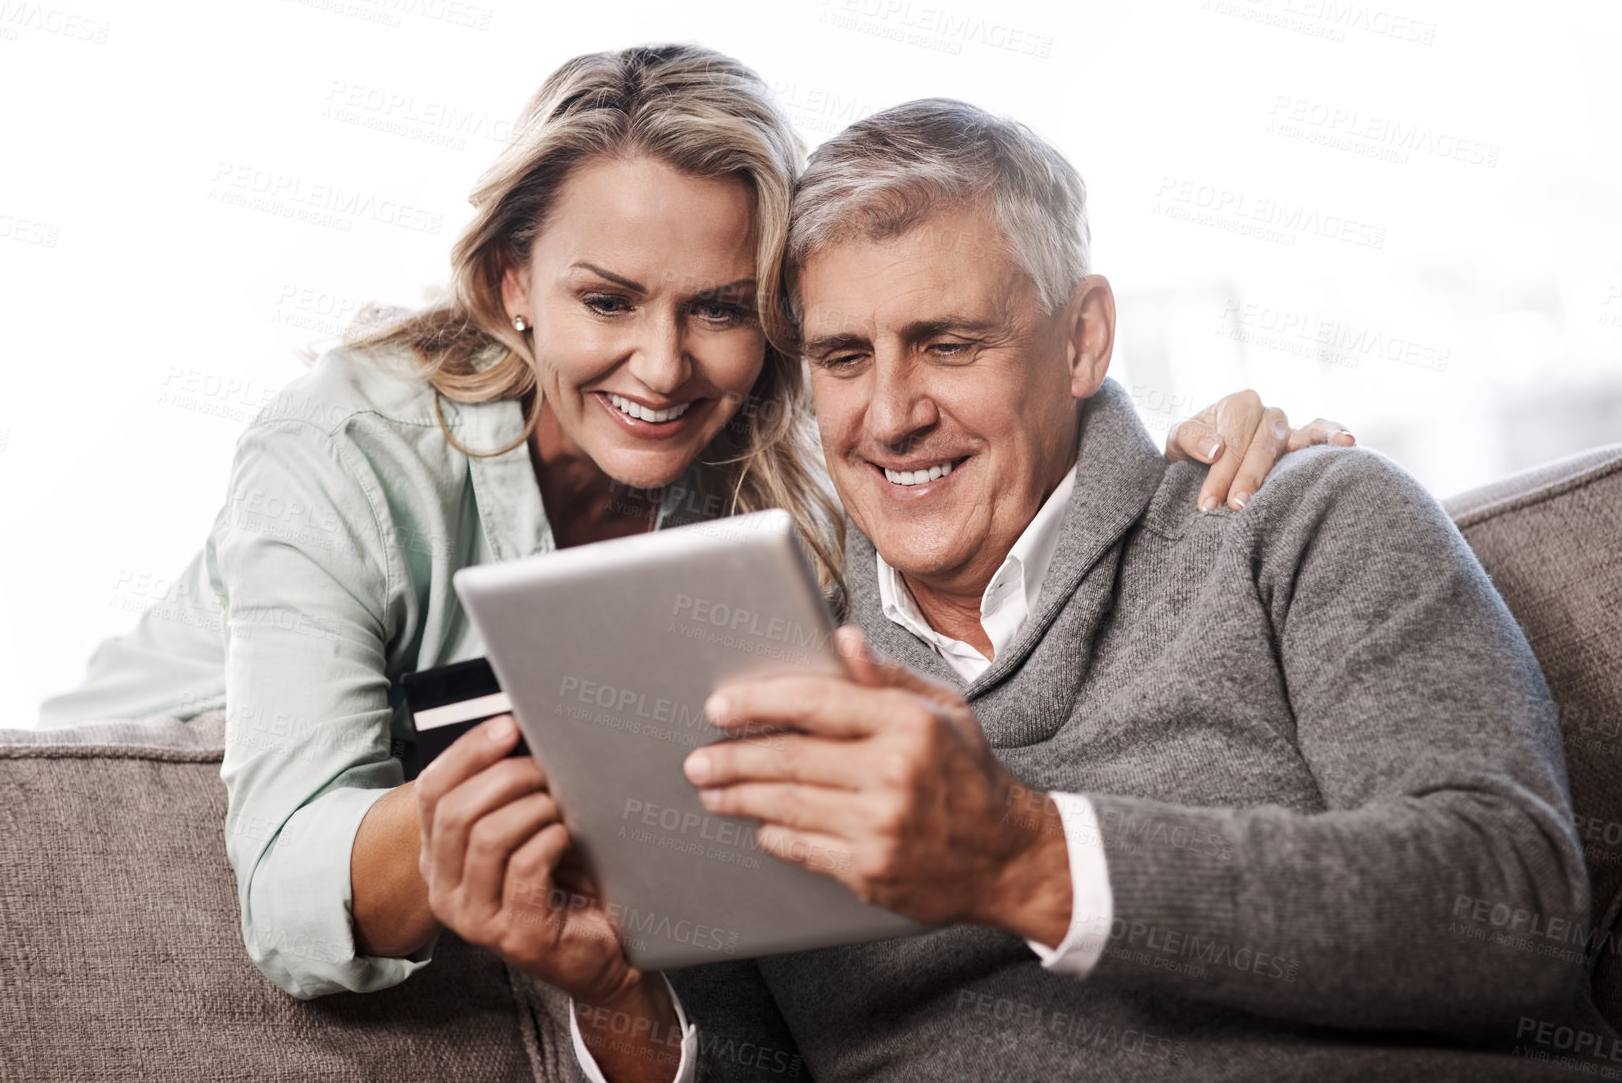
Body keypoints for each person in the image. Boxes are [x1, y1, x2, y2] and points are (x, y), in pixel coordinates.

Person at [38, 47, 1345, 1008]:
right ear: (512, 284)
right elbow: (287, 883)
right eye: (607, 301)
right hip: (133, 810)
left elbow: (970, 433)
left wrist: (1205, 441)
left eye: (717, 309)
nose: (662, 368)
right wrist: (481, 825)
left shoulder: (766, 448)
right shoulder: (337, 449)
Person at [422, 99, 1610, 1082]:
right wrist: (618, 995)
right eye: (842, 359)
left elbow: (1511, 910)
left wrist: (1023, 858)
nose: (889, 417)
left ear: (1085, 339)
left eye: (947, 344)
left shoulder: (1299, 520)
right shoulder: (756, 659)